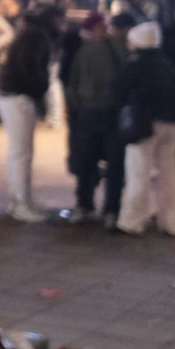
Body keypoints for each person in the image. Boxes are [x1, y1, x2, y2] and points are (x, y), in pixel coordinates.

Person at [113, 22, 175, 237]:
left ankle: (132, 221)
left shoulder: (137, 63)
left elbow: (118, 87)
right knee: (169, 175)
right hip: (171, 124)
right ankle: (174, 223)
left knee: (138, 173)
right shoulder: (166, 63)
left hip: (144, 124)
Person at [65, 13, 128, 226]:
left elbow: (71, 83)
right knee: (115, 164)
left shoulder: (85, 51)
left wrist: (76, 107)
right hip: (113, 112)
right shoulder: (121, 49)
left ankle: (84, 204)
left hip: (88, 112)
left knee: (87, 160)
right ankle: (112, 209)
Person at [0, 5, 59, 222]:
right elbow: (29, 68)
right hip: (18, 96)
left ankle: (22, 199)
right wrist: (39, 91)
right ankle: (20, 203)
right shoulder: (36, 36)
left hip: (15, 95)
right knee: (21, 152)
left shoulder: (31, 33)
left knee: (21, 152)